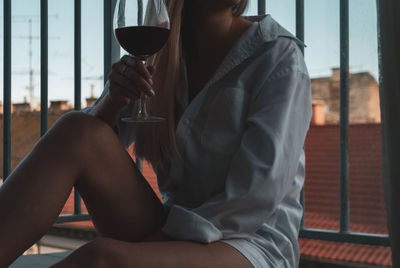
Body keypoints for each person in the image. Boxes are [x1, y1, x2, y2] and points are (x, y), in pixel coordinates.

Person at [0, 0, 312, 267]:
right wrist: (115, 99)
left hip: (250, 244)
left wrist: (160, 239)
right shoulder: (159, 59)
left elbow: (255, 197)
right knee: (76, 129)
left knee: (102, 259)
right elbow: (89, 145)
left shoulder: (276, 57)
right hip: (171, 227)